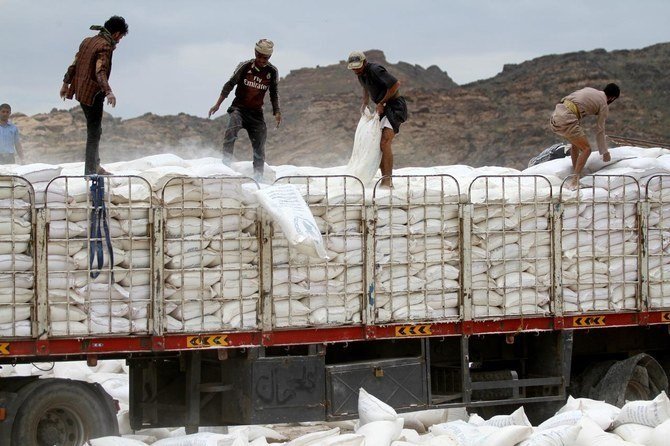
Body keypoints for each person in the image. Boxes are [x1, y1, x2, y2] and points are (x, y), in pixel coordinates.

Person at [60, 15, 129, 175]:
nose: (119, 41)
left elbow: (74, 63)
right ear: (117, 34)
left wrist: (65, 83)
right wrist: (108, 91)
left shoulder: (87, 41)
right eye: (120, 37)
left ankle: (95, 165)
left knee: (95, 130)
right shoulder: (105, 46)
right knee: (94, 132)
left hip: (81, 91)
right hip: (93, 94)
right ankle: (91, 170)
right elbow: (100, 70)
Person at [208, 39, 281, 180]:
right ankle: (226, 167)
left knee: (259, 145)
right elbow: (229, 85)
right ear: (255, 53)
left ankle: (258, 178)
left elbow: (274, 93)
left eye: (265, 58)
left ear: (269, 57)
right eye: (259, 56)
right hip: (239, 110)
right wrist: (217, 104)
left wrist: (276, 111)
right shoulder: (245, 66)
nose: (261, 60)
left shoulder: (272, 71)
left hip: (256, 114)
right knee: (230, 133)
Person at [347, 51, 408, 188]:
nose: (355, 69)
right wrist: (365, 102)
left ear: (364, 62)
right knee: (377, 144)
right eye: (353, 67)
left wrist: (381, 103)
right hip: (382, 108)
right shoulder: (360, 74)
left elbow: (395, 85)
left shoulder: (375, 70)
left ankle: (387, 180)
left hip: (395, 106)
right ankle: (384, 178)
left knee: (385, 141)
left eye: (358, 66)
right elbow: (366, 88)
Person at [550, 83, 620, 188]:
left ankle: (576, 171)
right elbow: (600, 131)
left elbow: (576, 102)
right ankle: (575, 180)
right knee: (587, 149)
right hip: (567, 118)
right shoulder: (604, 104)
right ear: (612, 98)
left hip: (556, 115)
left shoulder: (590, 90)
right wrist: (605, 152)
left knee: (576, 144)